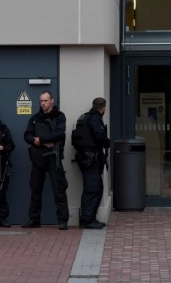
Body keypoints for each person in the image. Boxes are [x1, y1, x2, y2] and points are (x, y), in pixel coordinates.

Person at [22, 91, 70, 230]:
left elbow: (59, 133)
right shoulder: (35, 118)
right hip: (38, 158)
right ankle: (34, 220)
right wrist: (41, 142)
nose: (43, 103)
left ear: (52, 101)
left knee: (59, 190)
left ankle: (62, 220)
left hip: (53, 158)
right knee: (35, 190)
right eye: (41, 101)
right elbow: (27, 135)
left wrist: (41, 139)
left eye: (45, 100)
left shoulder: (59, 117)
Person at [74, 97, 110, 229]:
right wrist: (108, 143)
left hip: (84, 157)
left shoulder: (84, 117)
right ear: (103, 109)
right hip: (91, 159)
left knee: (94, 188)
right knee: (92, 189)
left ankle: (89, 218)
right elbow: (100, 137)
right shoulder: (95, 119)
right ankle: (88, 220)